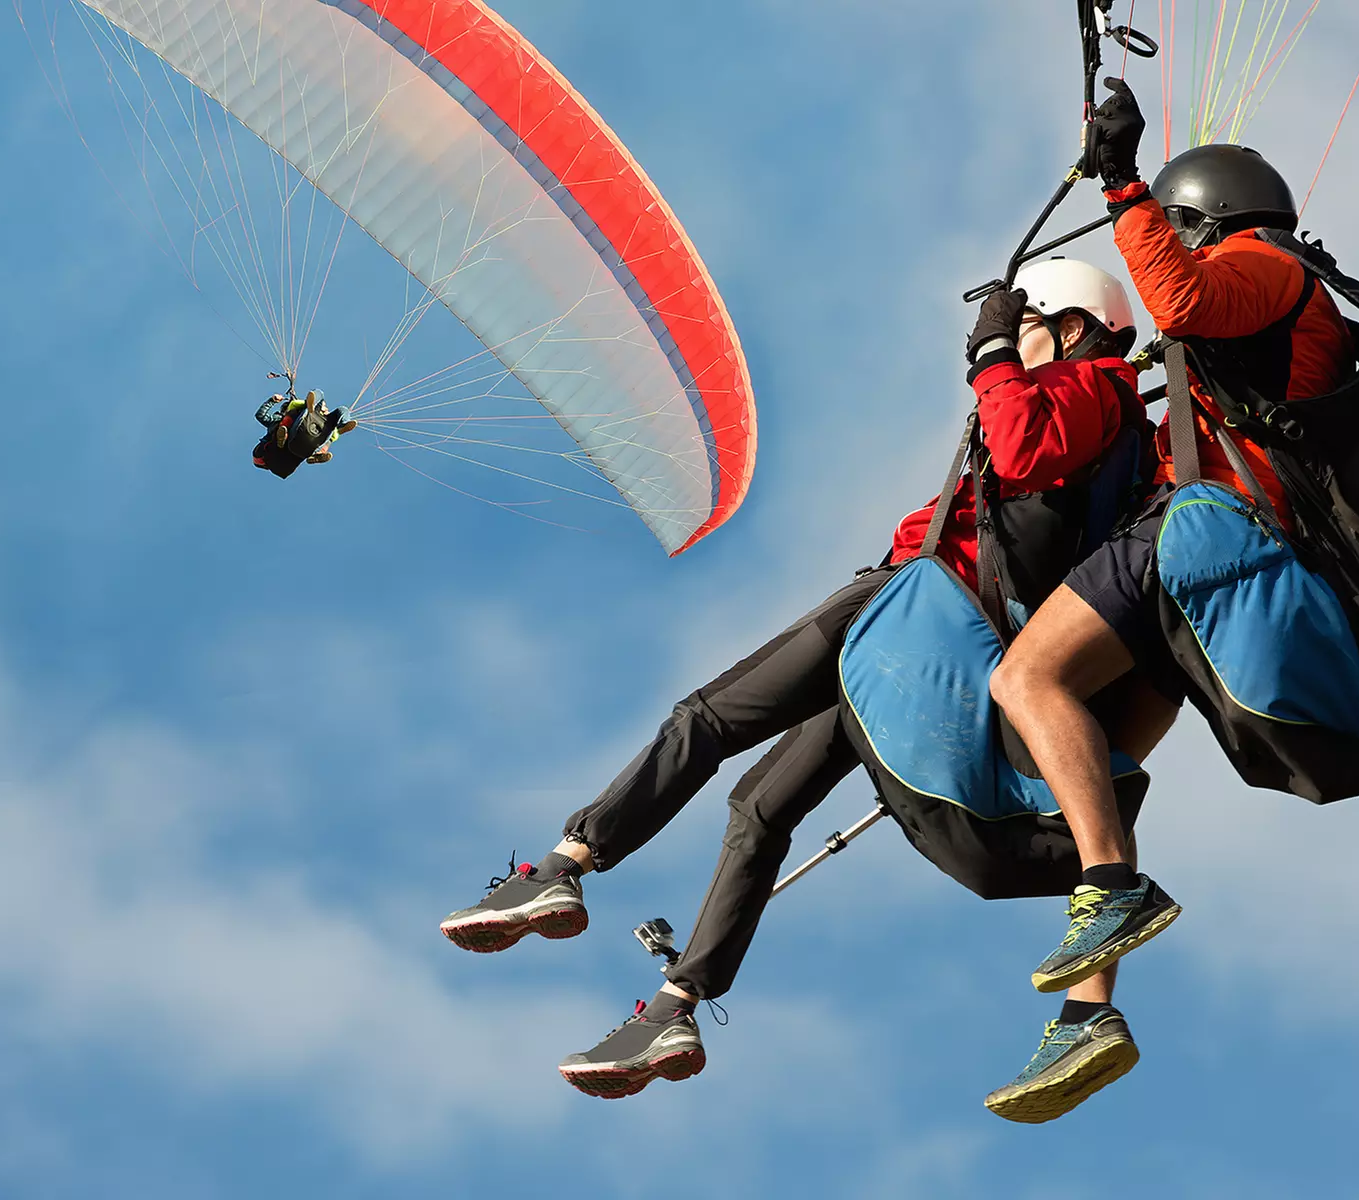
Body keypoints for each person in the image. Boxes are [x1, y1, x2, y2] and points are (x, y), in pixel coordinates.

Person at [441, 260, 1145, 1099]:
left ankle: (567, 863)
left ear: (1069, 327)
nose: (1012, 344)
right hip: (926, 637)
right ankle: (676, 1006)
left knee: (704, 718)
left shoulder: (1092, 384)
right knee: (760, 806)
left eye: (1028, 325)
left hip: (911, 606)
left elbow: (1024, 445)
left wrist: (993, 352)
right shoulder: (1114, 418)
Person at [982, 77, 1354, 1119]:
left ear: (1205, 220)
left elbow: (1183, 299)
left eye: (1176, 230)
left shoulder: (1265, 269)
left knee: (1025, 679)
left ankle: (1111, 897)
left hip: (1208, 536)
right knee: (1087, 765)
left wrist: (1118, 182)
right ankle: (1087, 1016)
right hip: (1229, 559)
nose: (1170, 250)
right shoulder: (1270, 319)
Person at [252, 390, 356, 477]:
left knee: (343, 410)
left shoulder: (321, 417)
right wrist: (272, 401)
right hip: (291, 434)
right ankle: (283, 439)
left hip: (310, 432)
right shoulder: (279, 418)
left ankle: (342, 425)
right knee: (319, 394)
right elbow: (260, 416)